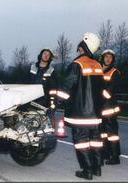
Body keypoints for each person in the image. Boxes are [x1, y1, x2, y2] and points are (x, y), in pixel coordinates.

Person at [50, 33, 107, 180]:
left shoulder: (77, 64)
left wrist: (55, 103)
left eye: (80, 47)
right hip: (96, 113)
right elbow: (102, 90)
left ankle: (87, 171)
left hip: (81, 112)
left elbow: (66, 87)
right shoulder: (98, 65)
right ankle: (97, 168)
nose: (79, 49)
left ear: (83, 47)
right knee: (95, 140)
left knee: (81, 141)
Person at [100, 49, 121, 165]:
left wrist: (97, 93)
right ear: (102, 58)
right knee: (102, 132)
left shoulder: (114, 72)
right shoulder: (99, 71)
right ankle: (105, 152)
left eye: (110, 57)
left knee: (112, 133)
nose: (108, 59)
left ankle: (115, 156)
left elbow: (109, 91)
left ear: (112, 60)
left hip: (109, 108)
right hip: (100, 108)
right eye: (106, 57)